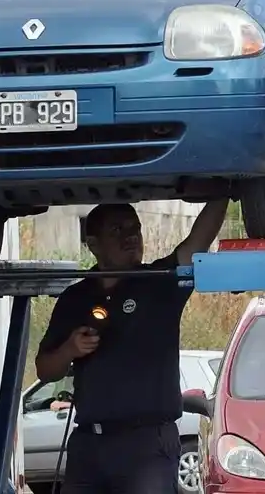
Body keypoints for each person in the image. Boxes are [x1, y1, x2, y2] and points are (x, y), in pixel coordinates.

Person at [34, 200, 229, 494]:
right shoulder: (75, 297)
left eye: (135, 228)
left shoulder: (159, 283)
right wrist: (69, 350)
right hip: (89, 446)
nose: (131, 237)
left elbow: (197, 242)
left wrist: (224, 192)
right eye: (117, 230)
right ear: (93, 244)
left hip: (147, 445)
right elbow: (45, 370)